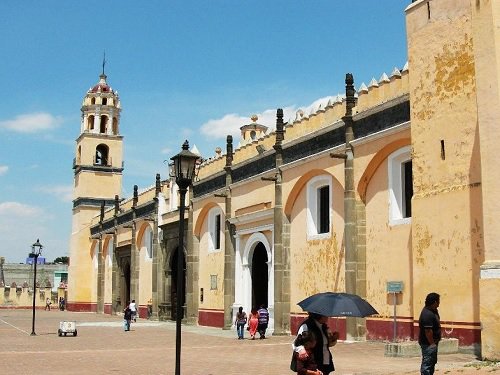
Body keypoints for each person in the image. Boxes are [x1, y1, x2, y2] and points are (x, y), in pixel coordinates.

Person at [419, 293, 441, 375]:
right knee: (427, 365)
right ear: (435, 302)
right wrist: (432, 344)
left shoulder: (433, 311)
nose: (439, 304)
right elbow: (428, 331)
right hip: (428, 344)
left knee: (432, 362)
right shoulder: (427, 314)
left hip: (433, 343)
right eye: (438, 302)